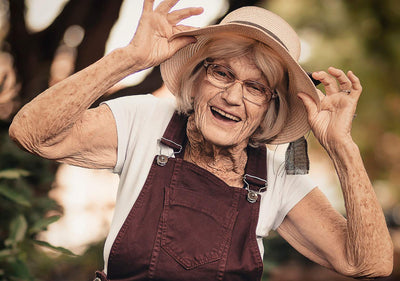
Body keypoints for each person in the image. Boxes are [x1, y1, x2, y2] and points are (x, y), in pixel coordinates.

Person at [9, 0, 393, 280]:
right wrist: (128, 58)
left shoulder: (280, 178)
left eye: (256, 87)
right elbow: (30, 133)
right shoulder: (146, 120)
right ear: (197, 77)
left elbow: (370, 263)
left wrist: (342, 147)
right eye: (222, 73)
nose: (232, 96)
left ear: (269, 107)